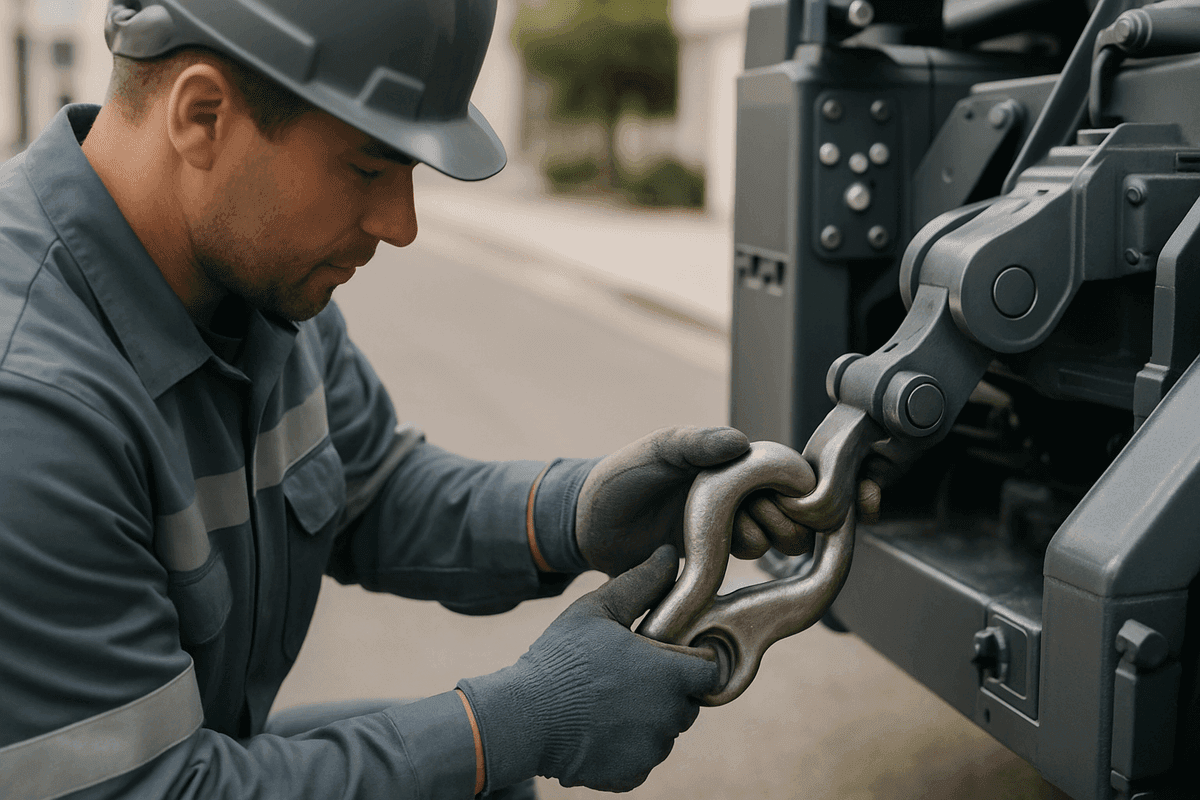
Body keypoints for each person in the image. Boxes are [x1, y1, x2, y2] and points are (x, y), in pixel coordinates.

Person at [0, 2, 816, 798]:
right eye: (368, 167)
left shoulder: (253, 287)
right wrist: (517, 722)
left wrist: (578, 510)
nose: (401, 222)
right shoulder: (33, 412)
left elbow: (376, 486)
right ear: (203, 115)